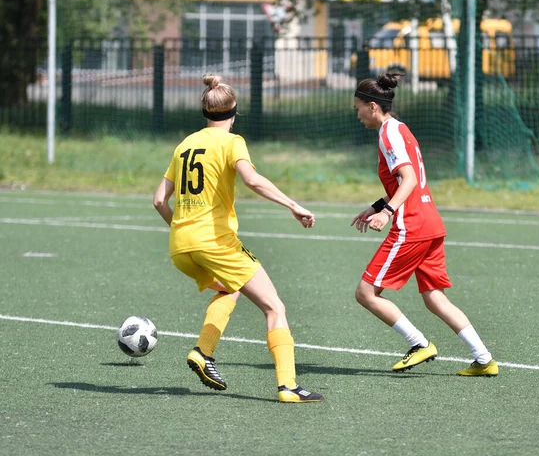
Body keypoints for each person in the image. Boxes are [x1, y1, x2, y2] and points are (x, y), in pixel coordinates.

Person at [153, 74, 324, 402]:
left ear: (205, 112)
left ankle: (203, 351)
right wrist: (292, 204)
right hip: (215, 243)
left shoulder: (184, 144)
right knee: (275, 307)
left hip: (180, 246)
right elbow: (253, 180)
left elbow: (159, 200)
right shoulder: (232, 142)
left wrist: (182, 228)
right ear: (233, 112)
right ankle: (288, 386)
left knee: (229, 290)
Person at [350, 72, 498, 377]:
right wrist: (377, 205)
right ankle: (484, 359)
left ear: (373, 107)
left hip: (412, 226)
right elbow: (407, 181)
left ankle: (419, 344)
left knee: (365, 293)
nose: (358, 115)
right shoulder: (401, 129)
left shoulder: (388, 133)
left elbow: (410, 179)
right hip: (430, 222)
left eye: (358, 108)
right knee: (434, 297)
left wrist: (387, 212)